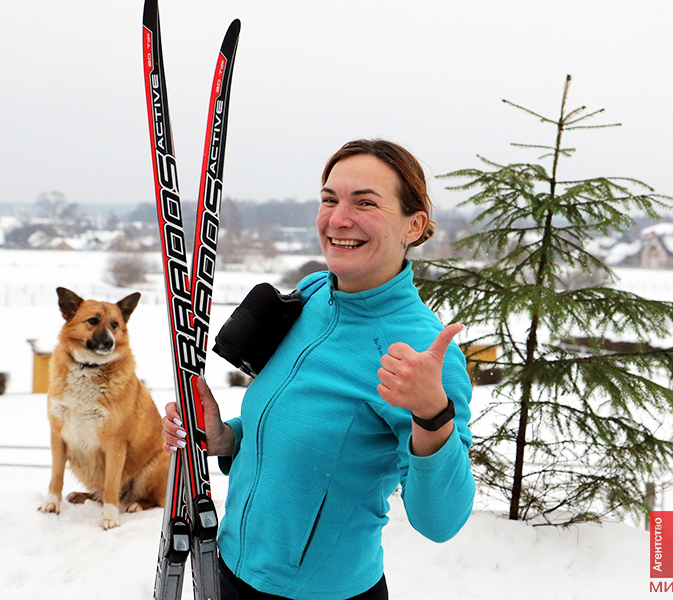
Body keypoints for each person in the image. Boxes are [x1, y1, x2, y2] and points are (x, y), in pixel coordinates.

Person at [162, 139, 474, 600]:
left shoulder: (424, 353)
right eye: (329, 199)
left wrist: (433, 414)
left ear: (415, 224)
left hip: (320, 594)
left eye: (365, 202)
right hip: (227, 567)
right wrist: (226, 438)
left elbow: (442, 521)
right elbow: (295, 431)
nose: (338, 218)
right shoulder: (310, 294)